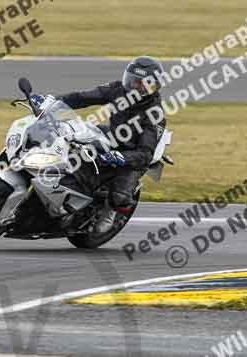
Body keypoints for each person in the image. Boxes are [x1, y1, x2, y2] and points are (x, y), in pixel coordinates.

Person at [33, 56, 166, 233]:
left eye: (145, 85)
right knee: (72, 134)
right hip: (112, 136)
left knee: (119, 195)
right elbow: (83, 97)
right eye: (134, 82)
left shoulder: (155, 114)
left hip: (133, 155)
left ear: (154, 87)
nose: (137, 88)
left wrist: (121, 157)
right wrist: (52, 103)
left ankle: (110, 212)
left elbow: (145, 154)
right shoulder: (117, 89)